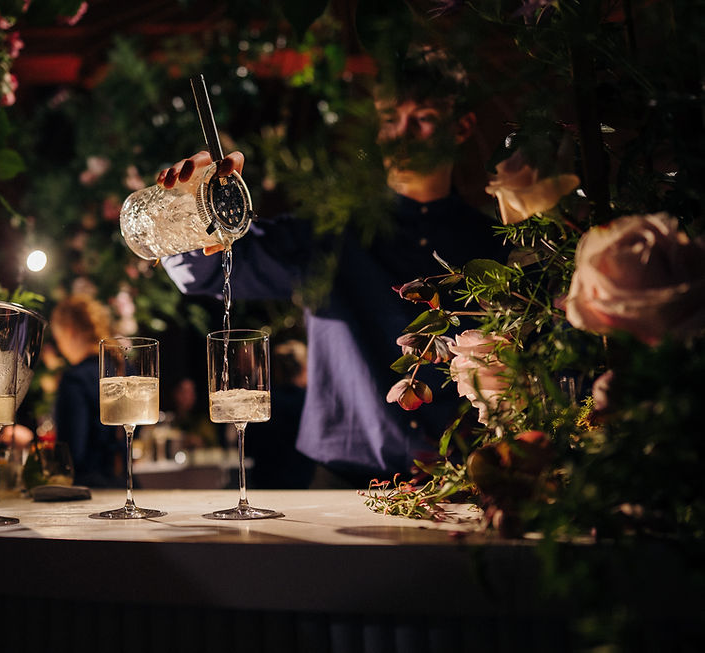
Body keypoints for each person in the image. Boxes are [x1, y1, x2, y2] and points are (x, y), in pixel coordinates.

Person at [159, 47, 504, 488]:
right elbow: (199, 271)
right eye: (390, 119)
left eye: (423, 118)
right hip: (344, 482)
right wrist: (192, 202)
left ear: (461, 127)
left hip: (469, 480)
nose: (403, 135)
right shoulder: (327, 232)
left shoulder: (494, 244)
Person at [48, 293, 121, 487]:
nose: (60, 348)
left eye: (58, 339)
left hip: (90, 489)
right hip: (125, 483)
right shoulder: (122, 368)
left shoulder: (75, 380)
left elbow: (72, 453)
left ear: (69, 332)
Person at [245, 339, 315, 489]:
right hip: (304, 483)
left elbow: (248, 447)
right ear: (304, 368)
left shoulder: (263, 403)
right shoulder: (312, 403)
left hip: (264, 483)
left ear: (276, 370)